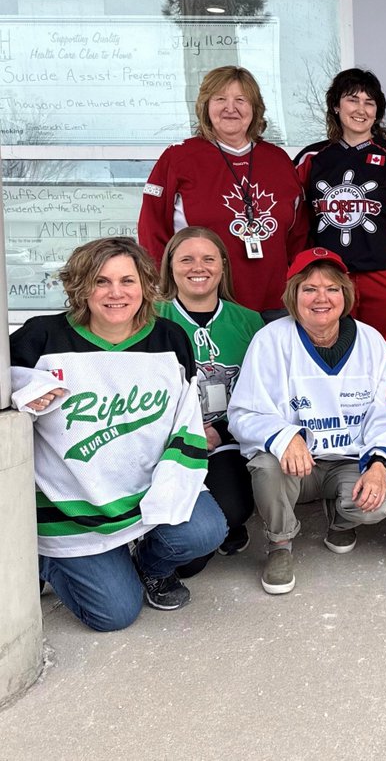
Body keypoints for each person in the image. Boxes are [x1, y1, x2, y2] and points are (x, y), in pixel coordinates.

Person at [10, 237, 225, 632]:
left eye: (127, 281)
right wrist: (25, 386)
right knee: (114, 616)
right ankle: (51, 561)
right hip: (72, 507)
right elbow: (9, 380)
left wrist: (173, 482)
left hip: (144, 487)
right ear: (80, 287)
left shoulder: (169, 338)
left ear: (145, 285)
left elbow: (185, 415)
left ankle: (148, 565)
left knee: (206, 529)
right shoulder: (40, 337)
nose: (115, 293)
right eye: (101, 281)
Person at [228, 248, 386, 596]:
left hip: (346, 462)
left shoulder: (371, 342)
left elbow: (382, 412)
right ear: (294, 294)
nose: (321, 297)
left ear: (345, 294)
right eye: (309, 288)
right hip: (298, 468)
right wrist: (285, 435)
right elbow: (242, 412)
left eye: (332, 288)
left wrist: (380, 464)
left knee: (379, 502)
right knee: (265, 466)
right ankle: (279, 544)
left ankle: (341, 518)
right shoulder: (271, 340)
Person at [139, 65, 305, 314]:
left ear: (255, 108)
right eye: (220, 99)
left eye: (241, 99)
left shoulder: (279, 161)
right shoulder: (179, 158)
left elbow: (299, 236)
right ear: (206, 106)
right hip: (204, 305)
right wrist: (167, 290)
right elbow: (152, 231)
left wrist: (297, 286)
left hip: (276, 305)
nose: (231, 108)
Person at [293, 68, 386, 335]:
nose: (361, 109)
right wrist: (302, 270)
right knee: (331, 355)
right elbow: (297, 223)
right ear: (336, 105)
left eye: (369, 103)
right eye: (352, 100)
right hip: (327, 279)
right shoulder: (311, 158)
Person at [156, 226, 264, 572]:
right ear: (170, 266)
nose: (197, 267)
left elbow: (265, 397)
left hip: (224, 441)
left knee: (231, 508)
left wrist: (221, 431)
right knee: (187, 564)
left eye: (207, 258)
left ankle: (226, 523)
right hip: (167, 445)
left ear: (223, 266)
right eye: (186, 259)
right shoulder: (150, 319)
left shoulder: (249, 321)